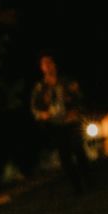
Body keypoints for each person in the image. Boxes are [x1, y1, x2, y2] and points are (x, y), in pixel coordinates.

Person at [29, 54, 90, 193]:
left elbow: (79, 98)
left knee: (79, 151)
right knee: (65, 157)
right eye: (44, 64)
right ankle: (77, 188)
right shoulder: (40, 88)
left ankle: (89, 181)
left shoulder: (66, 81)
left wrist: (76, 110)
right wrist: (42, 115)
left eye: (50, 62)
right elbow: (35, 108)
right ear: (41, 68)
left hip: (72, 122)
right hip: (56, 126)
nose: (48, 66)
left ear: (54, 64)